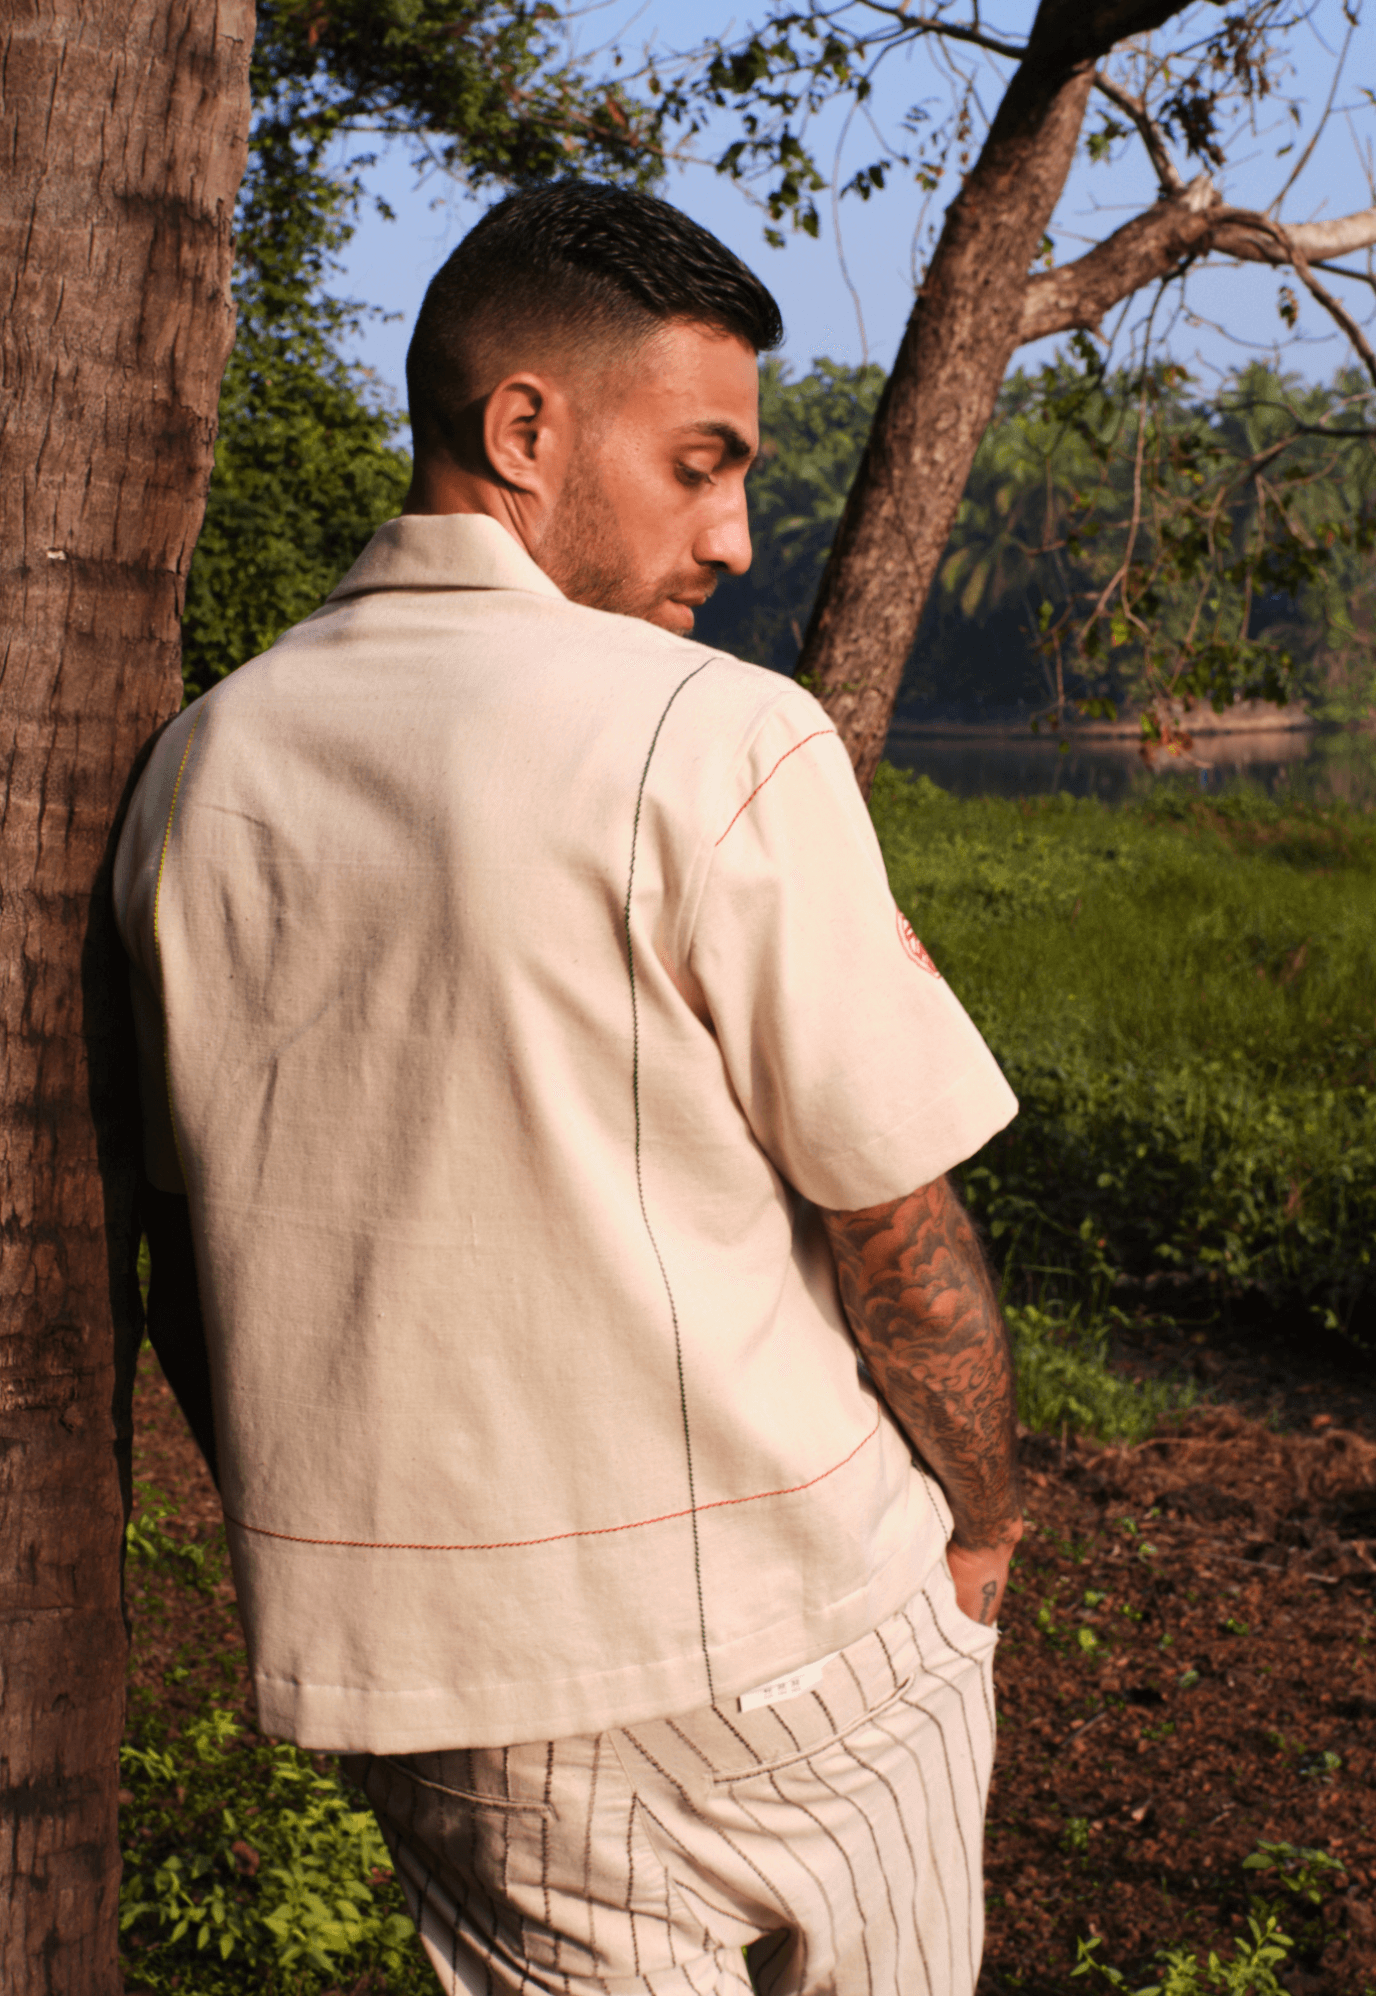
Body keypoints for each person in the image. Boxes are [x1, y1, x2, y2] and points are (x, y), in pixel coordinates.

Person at [115, 181, 1022, 1996]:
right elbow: (893, 1222)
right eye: (700, 465)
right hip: (797, 1640)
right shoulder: (710, 730)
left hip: (458, 1713)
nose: (736, 538)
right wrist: (984, 1528)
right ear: (523, 431)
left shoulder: (201, 772)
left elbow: (203, 1275)